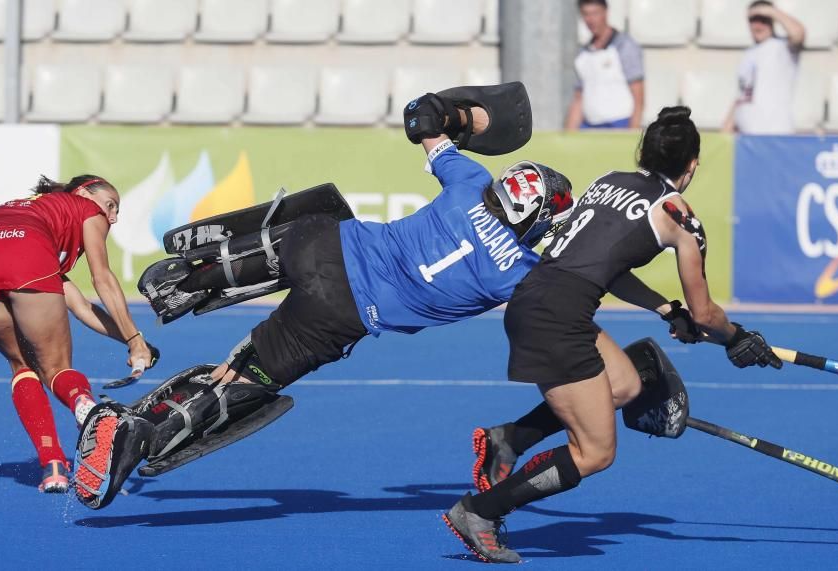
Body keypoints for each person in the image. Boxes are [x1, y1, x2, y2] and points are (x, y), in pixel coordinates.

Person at [72, 90, 700, 510]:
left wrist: (464, 118)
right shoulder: (525, 273)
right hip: (338, 314)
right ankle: (134, 434)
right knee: (241, 378)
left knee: (303, 232)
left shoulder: (468, 182)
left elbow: (421, 119)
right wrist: (664, 310)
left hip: (323, 243)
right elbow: (587, 284)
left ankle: (207, 270)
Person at [442, 107, 782, 564]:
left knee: (624, 384)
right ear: (693, 165)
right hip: (559, 320)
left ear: (643, 151)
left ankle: (510, 439)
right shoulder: (679, 216)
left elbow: (609, 267)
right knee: (596, 452)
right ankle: (480, 512)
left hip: (540, 299)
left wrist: (665, 309)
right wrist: (736, 338)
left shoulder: (609, 181)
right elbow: (706, 314)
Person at [0, 175, 156, 493]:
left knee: (23, 367)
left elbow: (82, 307)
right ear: (84, 192)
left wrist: (134, 341)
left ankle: (54, 467)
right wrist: (134, 339)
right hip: (24, 255)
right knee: (56, 367)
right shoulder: (85, 209)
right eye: (111, 205)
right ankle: (83, 403)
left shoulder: (39, 215)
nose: (112, 217)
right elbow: (102, 277)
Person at [722, 1, 805, 134]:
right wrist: (728, 125)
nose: (758, 25)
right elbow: (743, 94)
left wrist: (772, 11)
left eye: (763, 19)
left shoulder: (782, 47)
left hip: (775, 134)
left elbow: (799, 33)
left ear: (772, 20)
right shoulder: (747, 54)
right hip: (747, 137)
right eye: (753, 19)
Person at [565, 0, 645, 130]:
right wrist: (568, 136)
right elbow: (579, 98)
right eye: (586, 14)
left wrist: (632, 133)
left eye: (595, 13)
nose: (591, 19)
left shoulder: (625, 46)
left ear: (606, 12)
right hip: (589, 126)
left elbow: (638, 95)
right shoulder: (583, 54)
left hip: (620, 125)